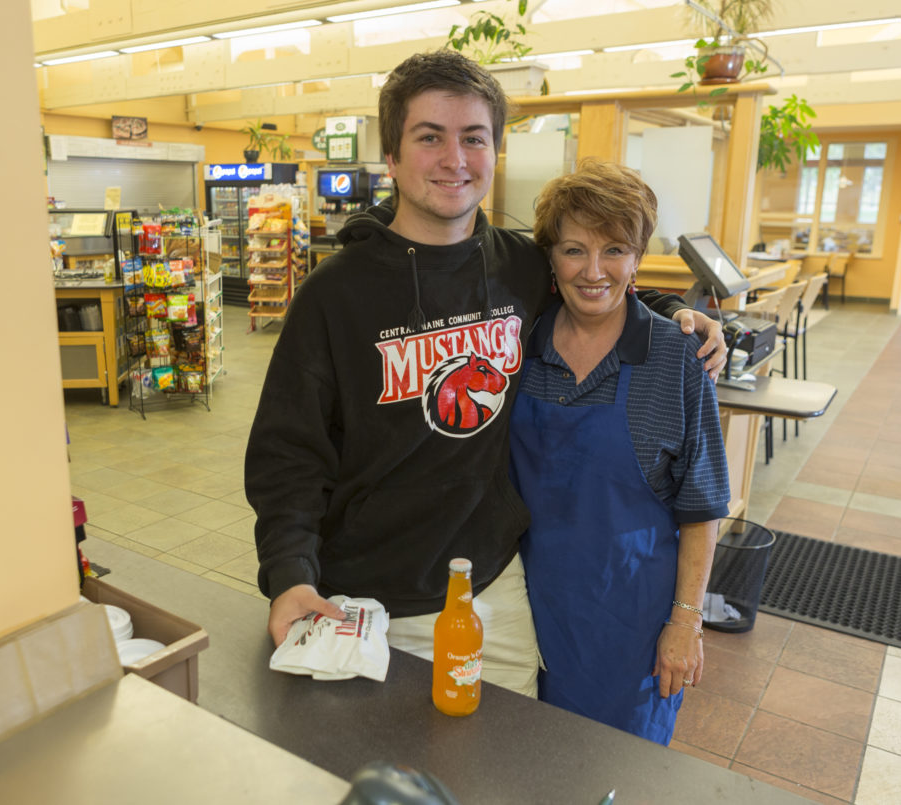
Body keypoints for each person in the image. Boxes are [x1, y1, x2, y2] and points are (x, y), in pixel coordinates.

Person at [244, 50, 727, 696]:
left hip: (492, 591)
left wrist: (675, 314)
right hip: (362, 597)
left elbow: (595, 282)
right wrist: (290, 573)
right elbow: (287, 455)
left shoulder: (521, 268)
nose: (455, 158)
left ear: (495, 152)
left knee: (501, 777)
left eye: (474, 138)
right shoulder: (334, 295)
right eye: (429, 137)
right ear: (391, 157)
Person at [508, 159, 730, 744]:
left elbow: (702, 502)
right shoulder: (518, 346)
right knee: (522, 759)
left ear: (636, 258)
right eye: (574, 250)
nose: (594, 271)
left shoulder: (677, 356)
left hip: (627, 618)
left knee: (614, 768)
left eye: (614, 250)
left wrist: (686, 621)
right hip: (520, 603)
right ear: (550, 259)